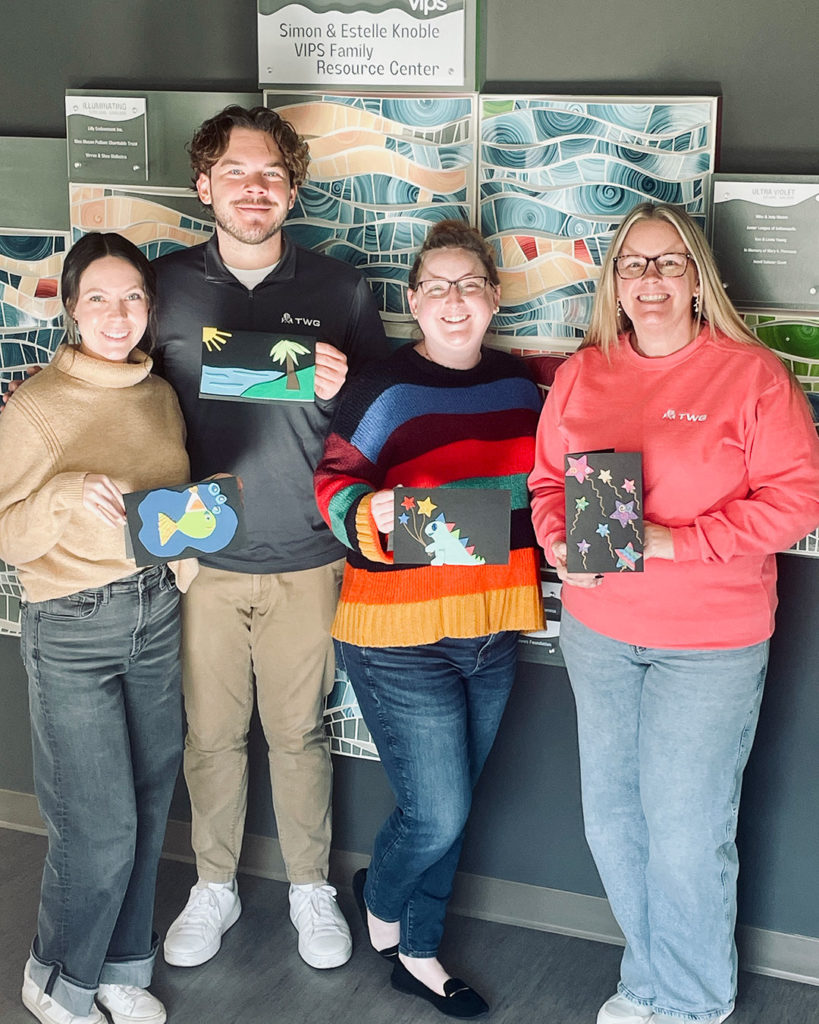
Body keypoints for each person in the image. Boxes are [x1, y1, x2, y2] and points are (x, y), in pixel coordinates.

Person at [528, 202, 819, 1024]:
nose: (648, 280)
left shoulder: (750, 374)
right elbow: (548, 484)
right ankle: (649, 982)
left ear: (696, 278)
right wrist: (557, 540)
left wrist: (672, 543)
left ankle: (694, 1002)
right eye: (632, 264)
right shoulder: (586, 373)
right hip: (600, 634)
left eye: (666, 264)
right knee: (613, 824)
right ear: (612, 282)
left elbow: (796, 501)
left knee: (688, 835)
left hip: (709, 643)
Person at [153, 105, 388, 972]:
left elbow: (373, 419)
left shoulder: (340, 289)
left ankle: (308, 888)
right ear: (204, 183)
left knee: (300, 735)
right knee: (209, 735)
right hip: (198, 560)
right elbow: (127, 397)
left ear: (292, 190)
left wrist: (343, 381)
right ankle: (212, 885)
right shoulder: (164, 285)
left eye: (271, 175)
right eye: (237, 173)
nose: (255, 189)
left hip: (308, 552)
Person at [314, 219, 543, 1017]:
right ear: (412, 301)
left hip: (494, 630)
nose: (453, 301)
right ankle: (382, 895)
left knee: (455, 810)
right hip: (397, 637)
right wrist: (367, 511)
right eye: (436, 288)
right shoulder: (381, 386)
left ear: (493, 296)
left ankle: (418, 952)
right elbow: (332, 491)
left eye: (469, 285)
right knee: (437, 811)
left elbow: (543, 500)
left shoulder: (521, 388)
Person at [0, 233, 193, 1024]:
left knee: (148, 808)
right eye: (100, 299)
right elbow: (7, 534)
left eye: (133, 298)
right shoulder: (37, 406)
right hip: (73, 627)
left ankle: (120, 965)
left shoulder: (158, 395)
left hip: (155, 615)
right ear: (72, 308)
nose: (118, 316)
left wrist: (188, 555)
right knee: (96, 823)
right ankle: (55, 979)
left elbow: (166, 514)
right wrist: (67, 491)